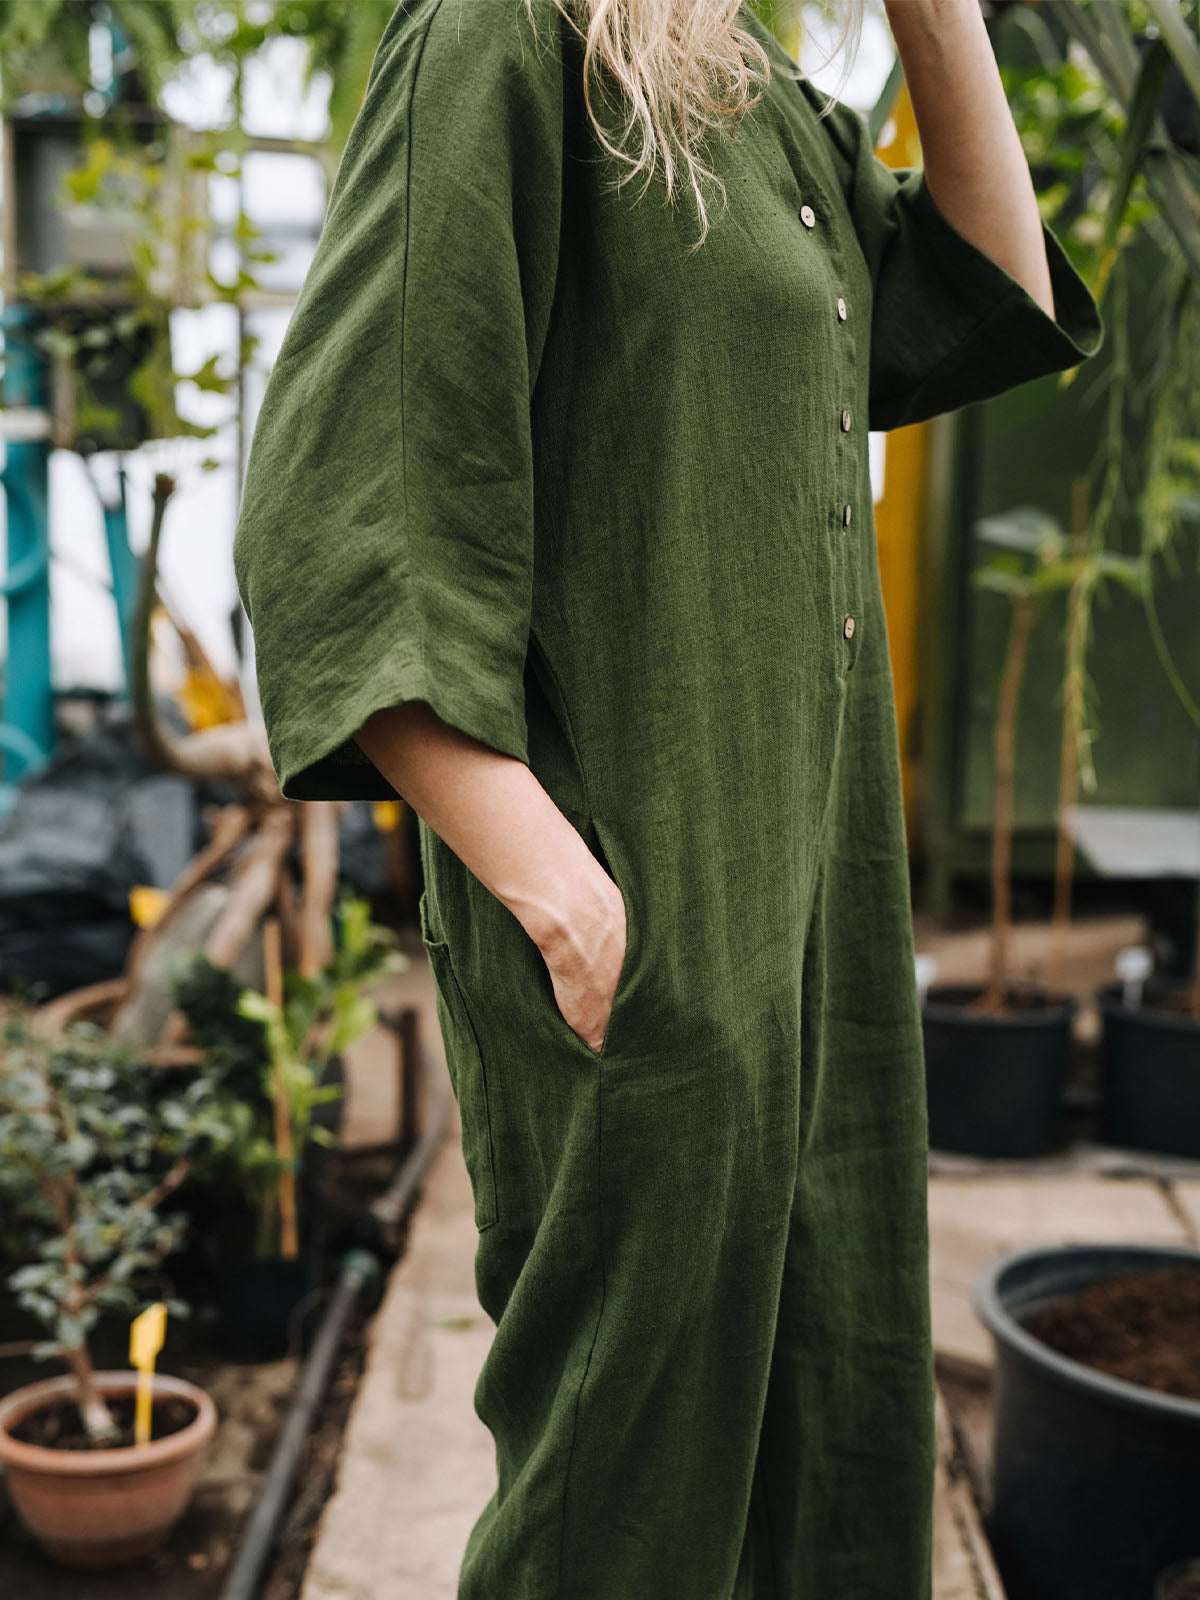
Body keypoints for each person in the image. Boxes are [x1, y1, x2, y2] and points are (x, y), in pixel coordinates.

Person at [233, 1, 1103, 1593]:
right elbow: (344, 507)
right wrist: (560, 894)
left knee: (823, 1425)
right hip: (637, 902)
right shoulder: (503, 39)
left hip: (813, 906)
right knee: (618, 1503)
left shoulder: (759, 92)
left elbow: (994, 278)